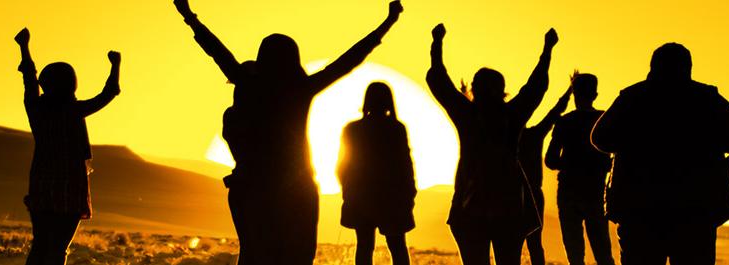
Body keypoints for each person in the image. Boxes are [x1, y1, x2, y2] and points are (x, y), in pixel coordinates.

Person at [173, 0, 401, 263]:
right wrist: (387, 24)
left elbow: (217, 52)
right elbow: (348, 60)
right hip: (296, 190)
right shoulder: (301, 89)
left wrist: (189, 17)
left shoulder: (249, 84)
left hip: (253, 188)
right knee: (296, 257)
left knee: (254, 256)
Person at [590, 43, 729, 265]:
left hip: (640, 210)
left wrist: (634, 140)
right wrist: (715, 138)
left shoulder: (633, 97)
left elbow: (600, 137)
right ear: (688, 68)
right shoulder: (705, 97)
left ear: (653, 67)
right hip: (694, 211)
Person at [426, 23, 556, 265]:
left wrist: (437, 44)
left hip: (468, 205)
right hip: (510, 205)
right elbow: (536, 87)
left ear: (474, 89)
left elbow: (439, 82)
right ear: (503, 90)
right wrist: (547, 51)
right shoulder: (513, 114)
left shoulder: (465, 114)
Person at [14, 29, 122, 265]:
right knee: (58, 247)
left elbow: (29, 79)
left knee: (41, 244)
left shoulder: (36, 108)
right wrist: (115, 66)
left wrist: (24, 46)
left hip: (41, 181)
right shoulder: (73, 110)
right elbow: (109, 93)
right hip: (71, 182)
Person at [336, 83, 415, 265]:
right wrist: (409, 192)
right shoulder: (396, 129)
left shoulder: (353, 129)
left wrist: (348, 189)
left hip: (360, 196)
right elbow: (405, 164)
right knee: (397, 246)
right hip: (392, 197)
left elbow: (342, 166)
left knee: (364, 246)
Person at [544, 73, 616, 265]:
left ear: (575, 94)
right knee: (603, 254)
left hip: (569, 193)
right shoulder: (604, 119)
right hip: (595, 193)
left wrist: (570, 165)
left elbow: (550, 160)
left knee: (575, 256)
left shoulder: (564, 122)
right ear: (595, 94)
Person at [517, 87, 572, 265]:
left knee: (512, 242)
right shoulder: (534, 135)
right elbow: (554, 112)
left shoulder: (504, 137)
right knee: (535, 243)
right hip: (533, 195)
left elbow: (554, 112)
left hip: (513, 194)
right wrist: (569, 91)